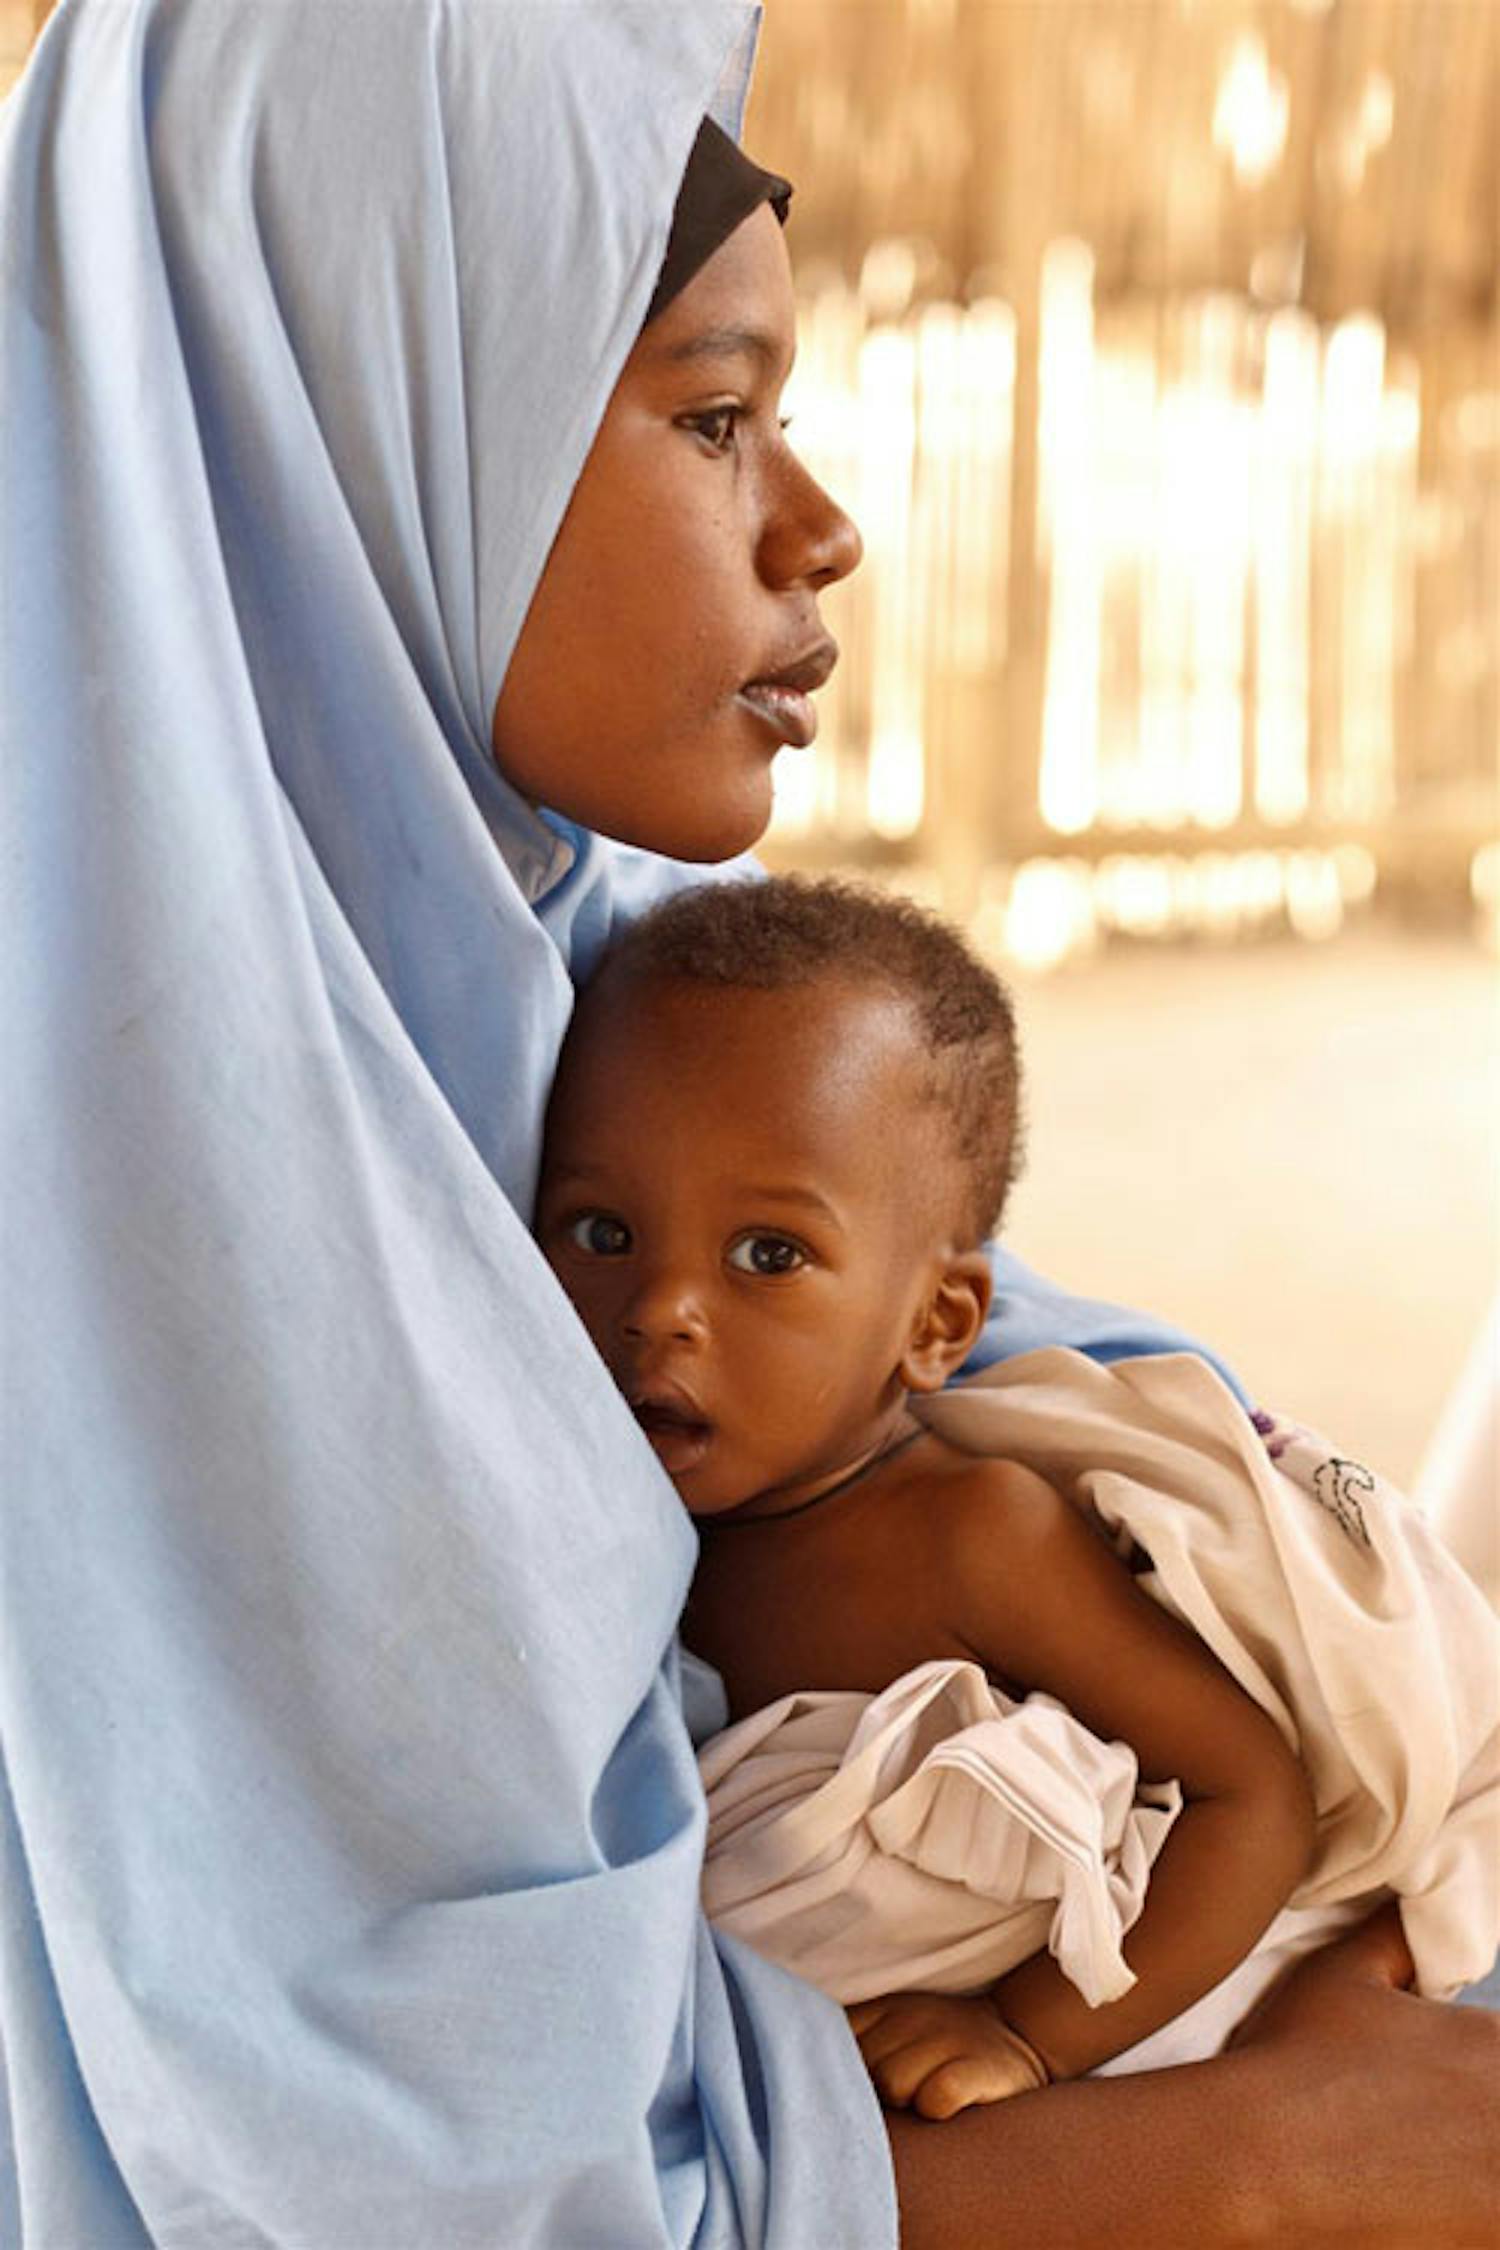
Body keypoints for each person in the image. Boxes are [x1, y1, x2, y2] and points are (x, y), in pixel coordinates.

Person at [3, 2, 1496, 2243]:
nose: (821, 528)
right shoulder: (158, 1246)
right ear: (364, 433)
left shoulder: (544, 972)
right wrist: (1264, 2162)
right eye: (714, 418)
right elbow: (417, 2181)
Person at [536, 874, 1499, 2111]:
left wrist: (1026, 2033)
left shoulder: (966, 1538)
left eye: (767, 1255)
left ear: (937, 1324)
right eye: (600, 1232)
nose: (661, 1309)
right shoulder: (619, 1522)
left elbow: (1250, 1798)